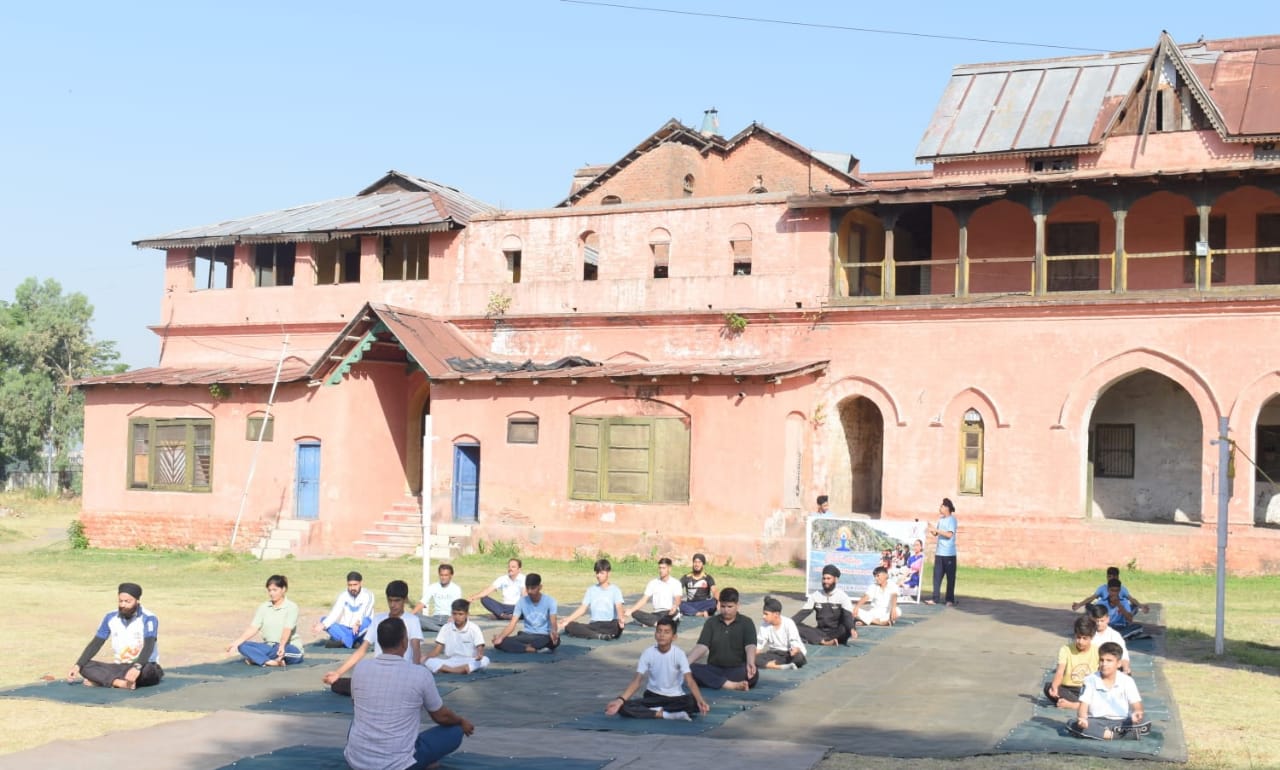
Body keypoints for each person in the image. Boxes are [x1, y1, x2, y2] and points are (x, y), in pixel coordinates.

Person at [344, 618, 475, 770]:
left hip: (357, 761)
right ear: (404, 642)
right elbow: (441, 716)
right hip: (399, 764)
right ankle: (421, 761)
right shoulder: (419, 674)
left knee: (359, 721)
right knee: (455, 731)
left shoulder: (361, 668)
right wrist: (461, 721)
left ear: (379, 642)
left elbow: (356, 705)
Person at [324, 580, 424, 695]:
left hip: (402, 674)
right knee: (338, 684)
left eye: (397, 601)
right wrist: (338, 673)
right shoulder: (378, 619)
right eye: (390, 600)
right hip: (380, 674)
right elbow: (362, 650)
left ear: (405, 600)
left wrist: (415, 678)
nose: (393, 605)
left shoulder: (412, 620)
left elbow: (416, 650)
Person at [605, 616, 711, 721]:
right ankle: (667, 715)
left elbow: (690, 681)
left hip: (675, 698)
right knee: (624, 707)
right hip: (653, 696)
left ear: (674, 637)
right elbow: (637, 681)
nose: (662, 635)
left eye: (666, 632)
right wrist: (620, 700)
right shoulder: (648, 653)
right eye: (659, 631)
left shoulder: (679, 654)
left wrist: (700, 700)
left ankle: (653, 711)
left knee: (692, 703)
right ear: (655, 634)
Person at [68, 582, 163, 689]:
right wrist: (78, 665)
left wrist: (137, 667)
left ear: (137, 600)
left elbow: (149, 645)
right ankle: (119, 683)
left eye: (127, 602)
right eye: (120, 601)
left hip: (144, 666)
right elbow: (96, 643)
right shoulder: (110, 617)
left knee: (148, 671)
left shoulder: (149, 618)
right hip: (121, 667)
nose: (123, 605)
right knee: (84, 666)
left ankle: (103, 681)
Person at [1069, 641, 1147, 741]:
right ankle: (1116, 736)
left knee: (1145, 721)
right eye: (1102, 660)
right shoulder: (1090, 679)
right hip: (1096, 721)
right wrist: (1082, 719)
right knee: (1073, 724)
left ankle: (1109, 733)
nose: (1104, 664)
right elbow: (1083, 705)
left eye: (1109, 660)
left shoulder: (1127, 681)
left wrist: (1138, 713)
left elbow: (1137, 705)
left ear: (1118, 664)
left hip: (1121, 721)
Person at [687, 587, 758, 691]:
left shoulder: (746, 622)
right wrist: (687, 662)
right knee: (691, 669)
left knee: (753, 675)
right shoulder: (711, 622)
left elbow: (750, 645)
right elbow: (702, 646)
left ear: (737, 606)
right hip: (714, 669)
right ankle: (731, 685)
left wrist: (750, 662)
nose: (726, 610)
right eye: (723, 606)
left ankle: (719, 682)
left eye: (730, 606)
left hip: (737, 670)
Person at [227, 574, 303, 667]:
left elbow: (287, 629)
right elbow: (254, 627)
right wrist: (236, 643)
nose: (271, 593)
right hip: (269, 647)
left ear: (283, 589)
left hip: (288, 647)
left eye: (275, 590)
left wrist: (282, 646)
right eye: (269, 590)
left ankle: (257, 659)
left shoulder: (291, 607)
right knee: (242, 646)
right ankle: (270, 662)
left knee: (282, 652)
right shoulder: (264, 607)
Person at [492, 573, 560, 653]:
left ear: (540, 587)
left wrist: (554, 632)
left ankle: (524, 647)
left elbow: (553, 623)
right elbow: (512, 624)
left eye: (533, 588)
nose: (529, 591)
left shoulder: (550, 601)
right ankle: (529, 648)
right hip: (526, 635)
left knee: (555, 641)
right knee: (500, 643)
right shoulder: (521, 602)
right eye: (527, 588)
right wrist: (501, 637)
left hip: (544, 636)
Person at [560, 558, 626, 640]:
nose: (598, 575)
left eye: (602, 573)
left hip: (611, 624)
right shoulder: (591, 590)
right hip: (595, 625)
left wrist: (621, 619)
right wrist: (568, 620)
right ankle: (599, 636)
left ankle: (596, 635)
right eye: (597, 573)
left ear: (608, 573)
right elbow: (582, 609)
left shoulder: (615, 590)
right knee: (569, 626)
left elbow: (619, 606)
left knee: (617, 626)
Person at [793, 564, 857, 646]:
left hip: (837, 632)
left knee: (846, 628)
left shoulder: (843, 597)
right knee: (794, 626)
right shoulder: (815, 596)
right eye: (824, 578)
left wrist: (852, 628)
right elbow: (802, 613)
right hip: (820, 632)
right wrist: (786, 624)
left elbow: (847, 616)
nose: (825, 581)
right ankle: (824, 642)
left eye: (828, 579)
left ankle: (820, 640)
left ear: (836, 580)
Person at [1044, 616, 1100, 709]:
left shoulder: (1098, 651)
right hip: (1067, 689)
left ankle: (1074, 705)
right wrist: (1054, 687)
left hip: (1087, 689)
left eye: (1084, 638)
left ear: (1092, 637)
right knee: (1048, 688)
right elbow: (1060, 672)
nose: (1080, 641)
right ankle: (1083, 705)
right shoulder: (1065, 649)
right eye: (1078, 637)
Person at [424, 599, 490, 675]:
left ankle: (446, 670)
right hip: (450, 661)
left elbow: (480, 647)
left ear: (467, 614)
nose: (457, 617)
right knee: (429, 661)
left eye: (460, 614)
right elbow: (437, 650)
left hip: (468, 660)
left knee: (485, 660)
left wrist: (479, 655)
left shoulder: (474, 628)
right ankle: (458, 670)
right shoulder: (446, 627)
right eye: (454, 614)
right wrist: (425, 658)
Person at [312, 571, 375, 648]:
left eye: (355, 585)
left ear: (360, 583)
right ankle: (352, 642)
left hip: (360, 628)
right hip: (345, 628)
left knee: (367, 621)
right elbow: (335, 612)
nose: (352, 588)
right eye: (350, 585)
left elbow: (365, 613)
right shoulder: (343, 595)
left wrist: (358, 623)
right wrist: (323, 625)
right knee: (324, 620)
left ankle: (343, 642)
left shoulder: (368, 595)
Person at [625, 556, 682, 627]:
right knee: (635, 613)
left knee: (674, 613)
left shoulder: (676, 583)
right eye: (660, 568)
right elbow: (644, 599)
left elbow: (678, 599)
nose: (661, 570)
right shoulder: (653, 583)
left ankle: (657, 623)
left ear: (669, 569)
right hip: (656, 614)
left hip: (669, 611)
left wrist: (675, 606)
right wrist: (631, 610)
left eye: (663, 568)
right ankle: (659, 623)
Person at [1072, 567, 1150, 615]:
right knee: (1089, 606)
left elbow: (1131, 599)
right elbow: (1092, 598)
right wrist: (1079, 604)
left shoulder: (1122, 589)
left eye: (1114, 577)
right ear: (1107, 577)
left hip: (1119, 613)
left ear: (1118, 577)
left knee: (1134, 606)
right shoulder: (1102, 588)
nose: (1111, 579)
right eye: (1109, 576)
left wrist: (1141, 606)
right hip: (1105, 612)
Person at [757, 596, 806, 669]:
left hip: (789, 653)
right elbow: (758, 647)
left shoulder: (789, 623)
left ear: (776, 614)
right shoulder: (764, 625)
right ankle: (778, 666)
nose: (763, 617)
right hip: (774, 654)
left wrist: (795, 650)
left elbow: (794, 643)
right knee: (752, 658)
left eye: (766, 614)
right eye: (763, 614)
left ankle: (771, 664)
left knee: (799, 659)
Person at [926, 498, 958, 606]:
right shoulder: (941, 520)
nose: (940, 508)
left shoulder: (952, 520)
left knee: (950, 578)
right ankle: (935, 598)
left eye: (942, 506)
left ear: (947, 508)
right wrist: (931, 529)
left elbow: (949, 535)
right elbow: (937, 534)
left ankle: (949, 599)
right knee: (937, 577)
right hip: (939, 553)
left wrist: (937, 530)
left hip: (949, 554)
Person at [413, 563, 462, 633]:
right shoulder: (433, 587)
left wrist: (453, 617)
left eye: (446, 575)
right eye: (441, 575)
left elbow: (458, 606)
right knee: (415, 617)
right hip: (435, 618)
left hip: (449, 618)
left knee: (460, 621)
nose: (443, 577)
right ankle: (441, 629)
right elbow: (422, 603)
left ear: (451, 576)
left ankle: (435, 628)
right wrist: (410, 615)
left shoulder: (456, 588)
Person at [1087, 603, 1131, 674]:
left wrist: (1126, 669)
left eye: (1102, 621)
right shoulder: (1087, 634)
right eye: (1096, 621)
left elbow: (1124, 656)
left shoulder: (1115, 635)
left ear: (1108, 619)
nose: (1099, 623)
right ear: (1091, 619)